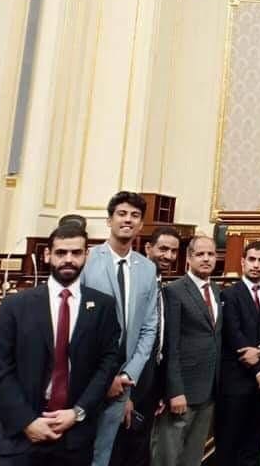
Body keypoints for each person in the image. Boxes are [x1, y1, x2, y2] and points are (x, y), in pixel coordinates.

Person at [0, 221, 122, 465]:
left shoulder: (103, 306)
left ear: (86, 255)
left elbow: (108, 364)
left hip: (74, 436)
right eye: (61, 252)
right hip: (20, 436)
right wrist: (27, 422)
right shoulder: (15, 306)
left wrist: (78, 412)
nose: (68, 259)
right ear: (47, 255)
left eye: (76, 252)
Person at [81, 191, 159, 466]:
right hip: (87, 377)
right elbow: (78, 326)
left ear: (141, 225)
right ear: (109, 220)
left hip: (124, 381)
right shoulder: (87, 260)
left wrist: (128, 374)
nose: (128, 220)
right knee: (78, 453)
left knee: (103, 455)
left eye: (135, 216)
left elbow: (149, 327)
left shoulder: (147, 268)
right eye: (122, 214)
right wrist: (105, 378)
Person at [109, 225, 181, 466]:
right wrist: (125, 396)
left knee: (140, 453)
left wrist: (160, 390)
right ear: (148, 248)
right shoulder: (132, 287)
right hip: (126, 384)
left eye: (173, 251)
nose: (168, 256)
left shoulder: (165, 290)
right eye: (163, 249)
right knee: (119, 453)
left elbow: (161, 343)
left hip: (151, 385)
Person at [151, 235, 222, 466]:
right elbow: (170, 345)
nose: (206, 259)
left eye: (210, 254)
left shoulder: (216, 289)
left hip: (208, 389)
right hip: (182, 391)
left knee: (193, 457)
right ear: (189, 258)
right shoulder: (175, 290)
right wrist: (175, 391)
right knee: (168, 457)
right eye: (200, 254)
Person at [215, 241, 260, 466]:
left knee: (254, 443)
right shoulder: (229, 294)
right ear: (243, 262)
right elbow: (234, 335)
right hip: (237, 381)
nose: (256, 265)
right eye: (252, 259)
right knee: (229, 444)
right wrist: (259, 369)